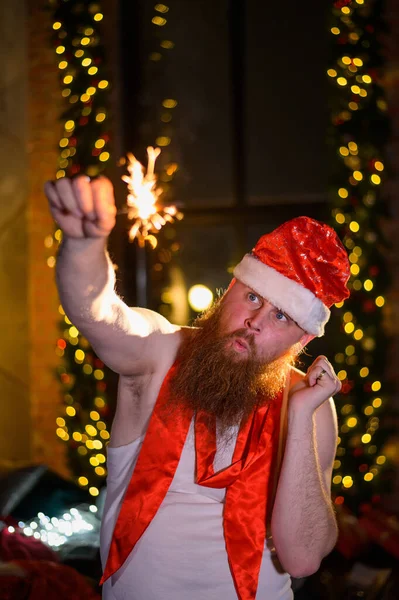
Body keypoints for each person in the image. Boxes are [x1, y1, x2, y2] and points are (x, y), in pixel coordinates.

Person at [45, 175, 351, 600]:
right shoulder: (159, 352)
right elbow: (100, 314)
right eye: (252, 297)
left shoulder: (310, 402)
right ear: (230, 293)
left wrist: (299, 417)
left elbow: (302, 558)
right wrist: (84, 245)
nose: (256, 321)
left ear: (302, 341)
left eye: (282, 317)